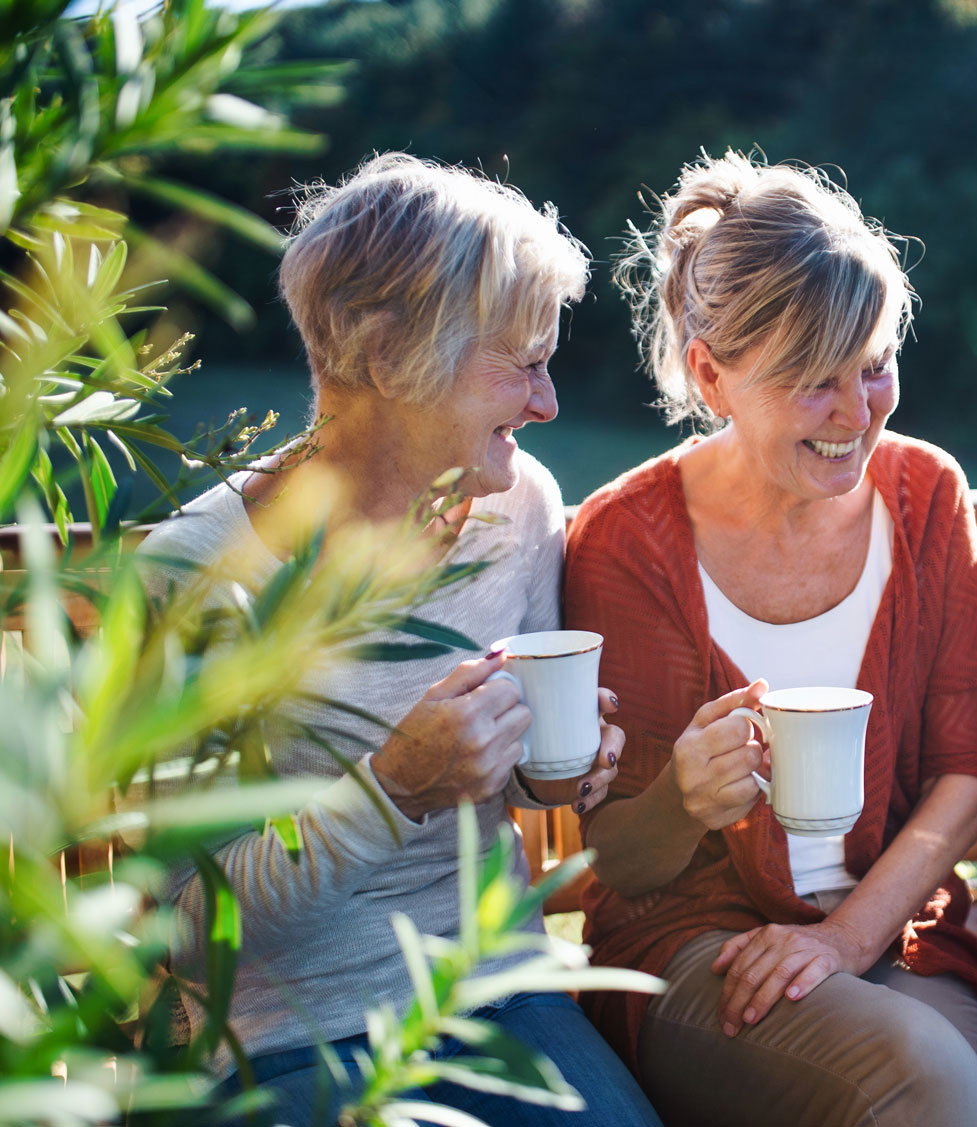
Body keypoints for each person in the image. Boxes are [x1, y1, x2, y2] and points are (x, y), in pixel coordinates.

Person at [140, 154, 659, 1127]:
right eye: (522, 363)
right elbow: (192, 930)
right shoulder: (196, 576)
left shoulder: (519, 507)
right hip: (280, 1036)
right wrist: (391, 790)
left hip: (491, 986)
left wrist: (558, 766)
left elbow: (523, 790)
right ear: (384, 357)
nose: (548, 404)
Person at [563, 150, 977, 1126]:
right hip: (691, 949)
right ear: (710, 373)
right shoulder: (626, 539)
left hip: (895, 936)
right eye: (816, 381)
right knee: (926, 1084)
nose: (859, 416)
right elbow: (624, 863)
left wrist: (846, 938)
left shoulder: (927, 493)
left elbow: (965, 773)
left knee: (950, 1084)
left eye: (877, 364)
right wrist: (682, 795)